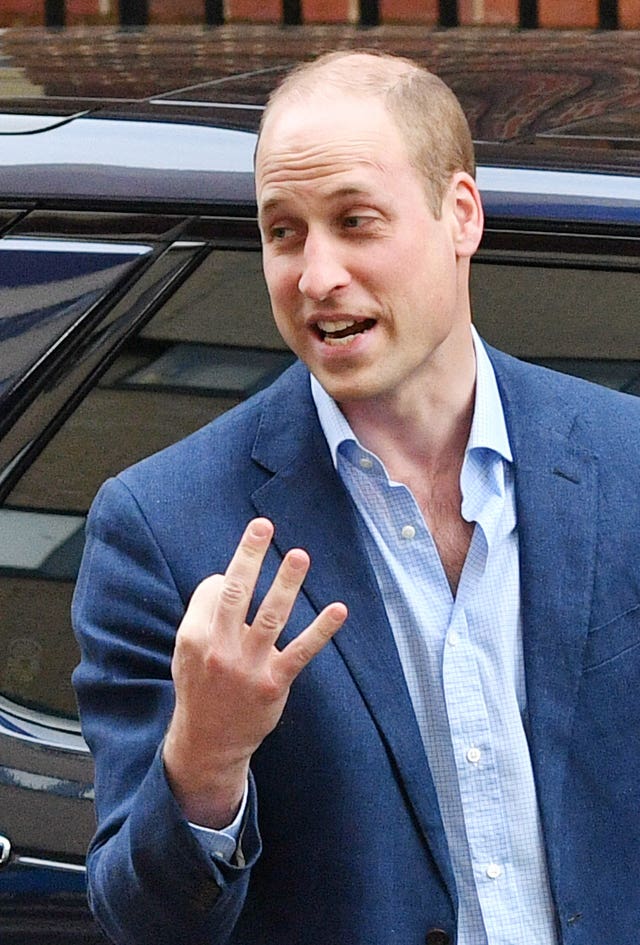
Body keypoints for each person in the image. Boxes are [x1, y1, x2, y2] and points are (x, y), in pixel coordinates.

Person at [72, 50, 640, 945]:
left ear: (461, 215)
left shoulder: (626, 461)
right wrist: (207, 756)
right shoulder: (164, 527)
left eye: (355, 221)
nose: (316, 275)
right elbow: (143, 922)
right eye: (283, 231)